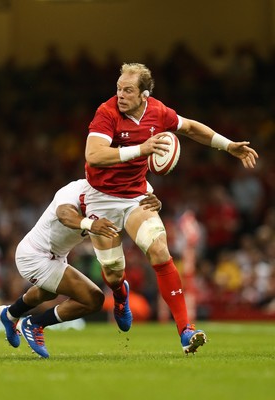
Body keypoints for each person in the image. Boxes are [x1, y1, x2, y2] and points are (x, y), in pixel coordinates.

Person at [83, 62, 259, 354]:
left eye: (128, 90)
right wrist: (141, 150)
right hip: (100, 198)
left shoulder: (157, 112)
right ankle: (120, 293)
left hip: (137, 196)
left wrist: (228, 146)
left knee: (160, 251)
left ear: (145, 95)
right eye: (118, 88)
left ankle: (185, 331)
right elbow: (94, 155)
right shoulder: (107, 112)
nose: (120, 95)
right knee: (113, 272)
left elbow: (189, 127)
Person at [0, 178, 161, 358]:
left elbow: (134, 201)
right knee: (93, 299)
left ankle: (10, 313)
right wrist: (91, 224)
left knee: (48, 293)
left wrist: (155, 203)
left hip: (56, 256)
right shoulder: (74, 190)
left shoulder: (107, 198)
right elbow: (64, 214)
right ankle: (34, 324)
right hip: (35, 256)